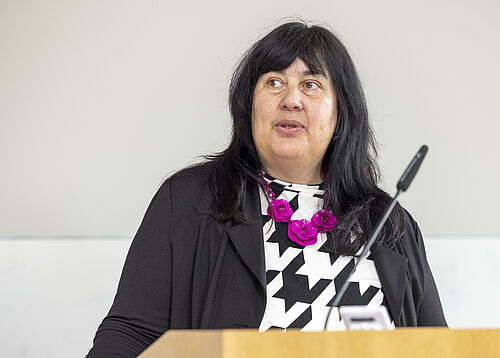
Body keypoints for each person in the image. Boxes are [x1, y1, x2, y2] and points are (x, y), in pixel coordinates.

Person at [86, 20, 447, 357]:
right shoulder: (189, 201)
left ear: (341, 112)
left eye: (311, 85)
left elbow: (437, 347)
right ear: (249, 106)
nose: (291, 99)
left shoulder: (387, 225)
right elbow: (129, 335)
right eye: (274, 82)